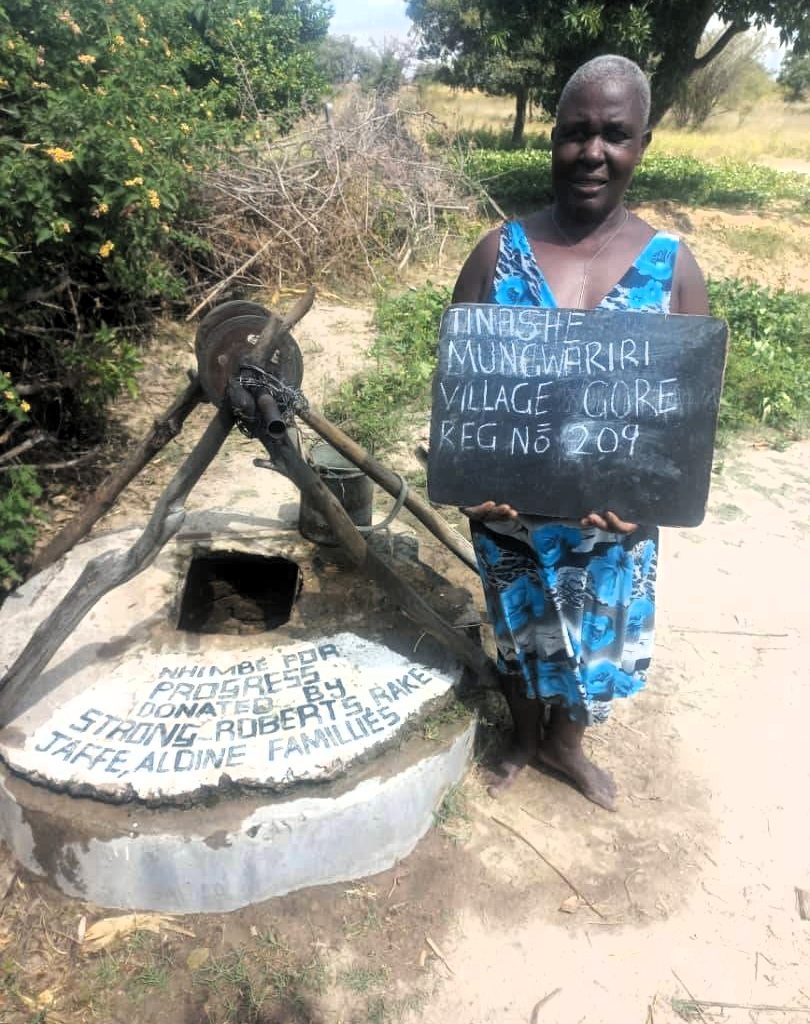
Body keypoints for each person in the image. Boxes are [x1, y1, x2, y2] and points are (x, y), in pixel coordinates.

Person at [451, 55, 709, 811]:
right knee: (520, 634)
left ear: (643, 145)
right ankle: (524, 737)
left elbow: (681, 422)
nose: (592, 152)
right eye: (576, 133)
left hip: (612, 529)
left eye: (615, 135)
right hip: (511, 522)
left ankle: (567, 746)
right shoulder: (499, 255)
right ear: (553, 139)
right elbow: (461, 390)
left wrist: (648, 500)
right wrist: (469, 486)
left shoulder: (672, 270)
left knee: (591, 645)